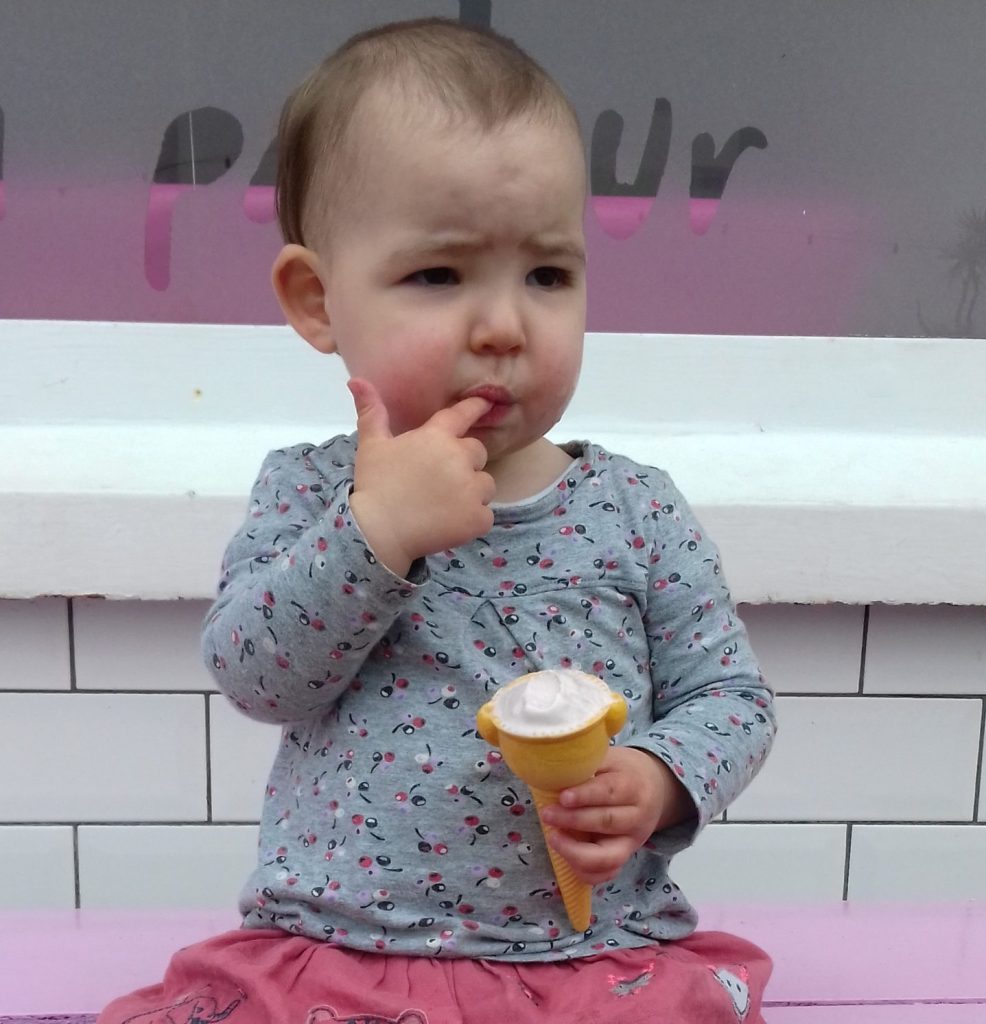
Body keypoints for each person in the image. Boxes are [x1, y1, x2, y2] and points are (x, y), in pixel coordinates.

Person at [99, 16, 776, 1024]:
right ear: (317, 299)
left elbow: (731, 698)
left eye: (547, 274)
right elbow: (252, 673)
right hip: (339, 953)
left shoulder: (635, 509)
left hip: (588, 959)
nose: (503, 326)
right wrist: (377, 532)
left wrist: (660, 775)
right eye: (439, 275)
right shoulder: (312, 493)